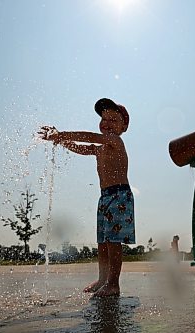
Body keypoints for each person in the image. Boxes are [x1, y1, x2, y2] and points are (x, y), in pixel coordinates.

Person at [39, 98, 135, 297]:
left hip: (119, 195)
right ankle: (102, 279)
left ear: (124, 127)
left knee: (113, 241)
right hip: (105, 196)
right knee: (102, 241)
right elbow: (81, 147)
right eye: (104, 119)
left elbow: (88, 136)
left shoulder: (115, 141)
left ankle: (113, 283)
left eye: (113, 120)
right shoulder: (99, 148)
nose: (107, 123)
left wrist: (61, 133)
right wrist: (60, 140)